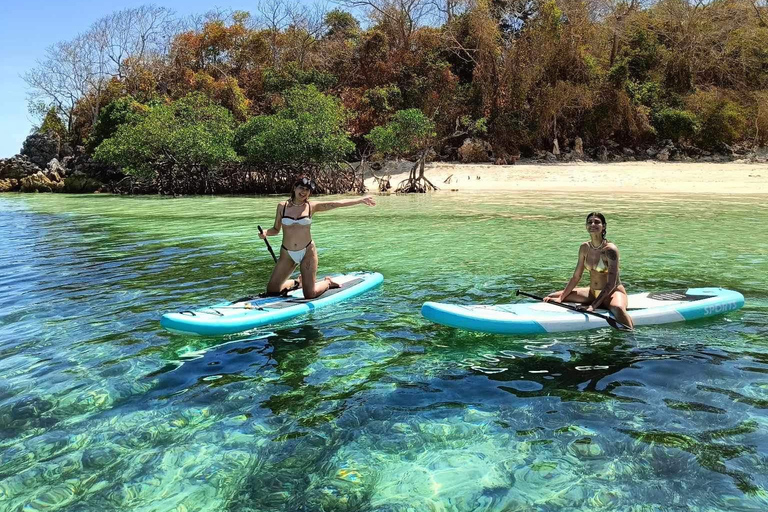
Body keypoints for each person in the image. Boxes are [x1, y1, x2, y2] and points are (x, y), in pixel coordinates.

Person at [259, 176, 376, 299]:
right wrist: (265, 232)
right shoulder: (282, 206)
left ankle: (328, 282)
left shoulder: (311, 206)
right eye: (301, 188)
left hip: (307, 252)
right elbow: (276, 230)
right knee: (272, 290)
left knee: (310, 294)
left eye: (307, 190)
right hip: (287, 253)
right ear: (294, 188)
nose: (303, 192)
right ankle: (298, 282)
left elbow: (336, 204)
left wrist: (360, 200)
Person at [544, 212, 634, 329]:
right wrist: (561, 298)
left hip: (612, 293)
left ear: (604, 226)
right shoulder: (584, 248)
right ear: (586, 226)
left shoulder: (610, 250)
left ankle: (631, 337)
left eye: (597, 222)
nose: (592, 224)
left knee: (618, 309)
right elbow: (576, 277)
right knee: (552, 296)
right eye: (589, 222)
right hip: (592, 293)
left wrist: (593, 306)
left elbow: (611, 283)